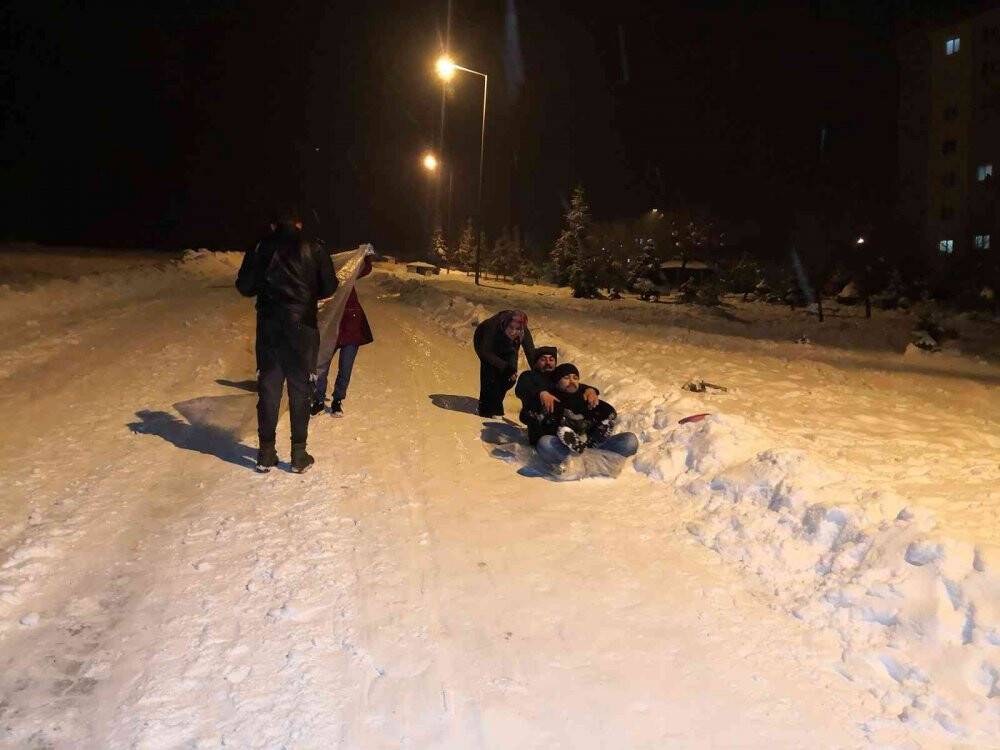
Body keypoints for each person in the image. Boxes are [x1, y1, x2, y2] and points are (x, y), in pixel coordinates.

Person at [236, 209, 337, 473]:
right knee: (300, 389)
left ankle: (265, 453)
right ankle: (298, 454)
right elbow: (329, 287)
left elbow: (244, 286)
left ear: (273, 225)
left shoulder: (261, 246)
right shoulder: (314, 247)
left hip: (269, 327)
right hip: (303, 327)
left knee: (269, 387)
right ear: (299, 223)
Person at [533, 363, 639, 468]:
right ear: (557, 382)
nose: (572, 381)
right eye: (566, 377)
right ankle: (593, 462)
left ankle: (583, 460)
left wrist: (598, 431)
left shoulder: (585, 396)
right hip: (565, 449)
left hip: (590, 445)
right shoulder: (550, 400)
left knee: (630, 441)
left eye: (575, 378)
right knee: (545, 443)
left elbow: (610, 412)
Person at [311, 252, 373, 417]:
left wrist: (365, 255)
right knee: (320, 364)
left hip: (351, 326)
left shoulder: (347, 271)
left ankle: (338, 400)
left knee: (345, 367)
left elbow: (364, 269)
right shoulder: (320, 279)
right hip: (330, 327)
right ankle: (318, 398)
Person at [515, 346, 599, 445]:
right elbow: (522, 388)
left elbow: (574, 385)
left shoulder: (557, 377)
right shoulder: (529, 375)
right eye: (543, 359)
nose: (548, 362)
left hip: (562, 422)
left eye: (551, 359)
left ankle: (587, 434)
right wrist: (541, 393)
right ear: (536, 362)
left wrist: (590, 390)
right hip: (540, 427)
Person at [473, 310, 535, 417]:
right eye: (511, 327)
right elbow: (486, 352)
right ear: (505, 324)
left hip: (508, 347)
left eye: (518, 329)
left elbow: (531, 354)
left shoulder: (524, 332)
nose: (514, 332)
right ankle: (485, 408)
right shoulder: (491, 326)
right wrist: (504, 367)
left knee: (510, 377)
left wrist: (541, 375)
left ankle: (496, 401)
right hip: (483, 342)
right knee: (490, 373)